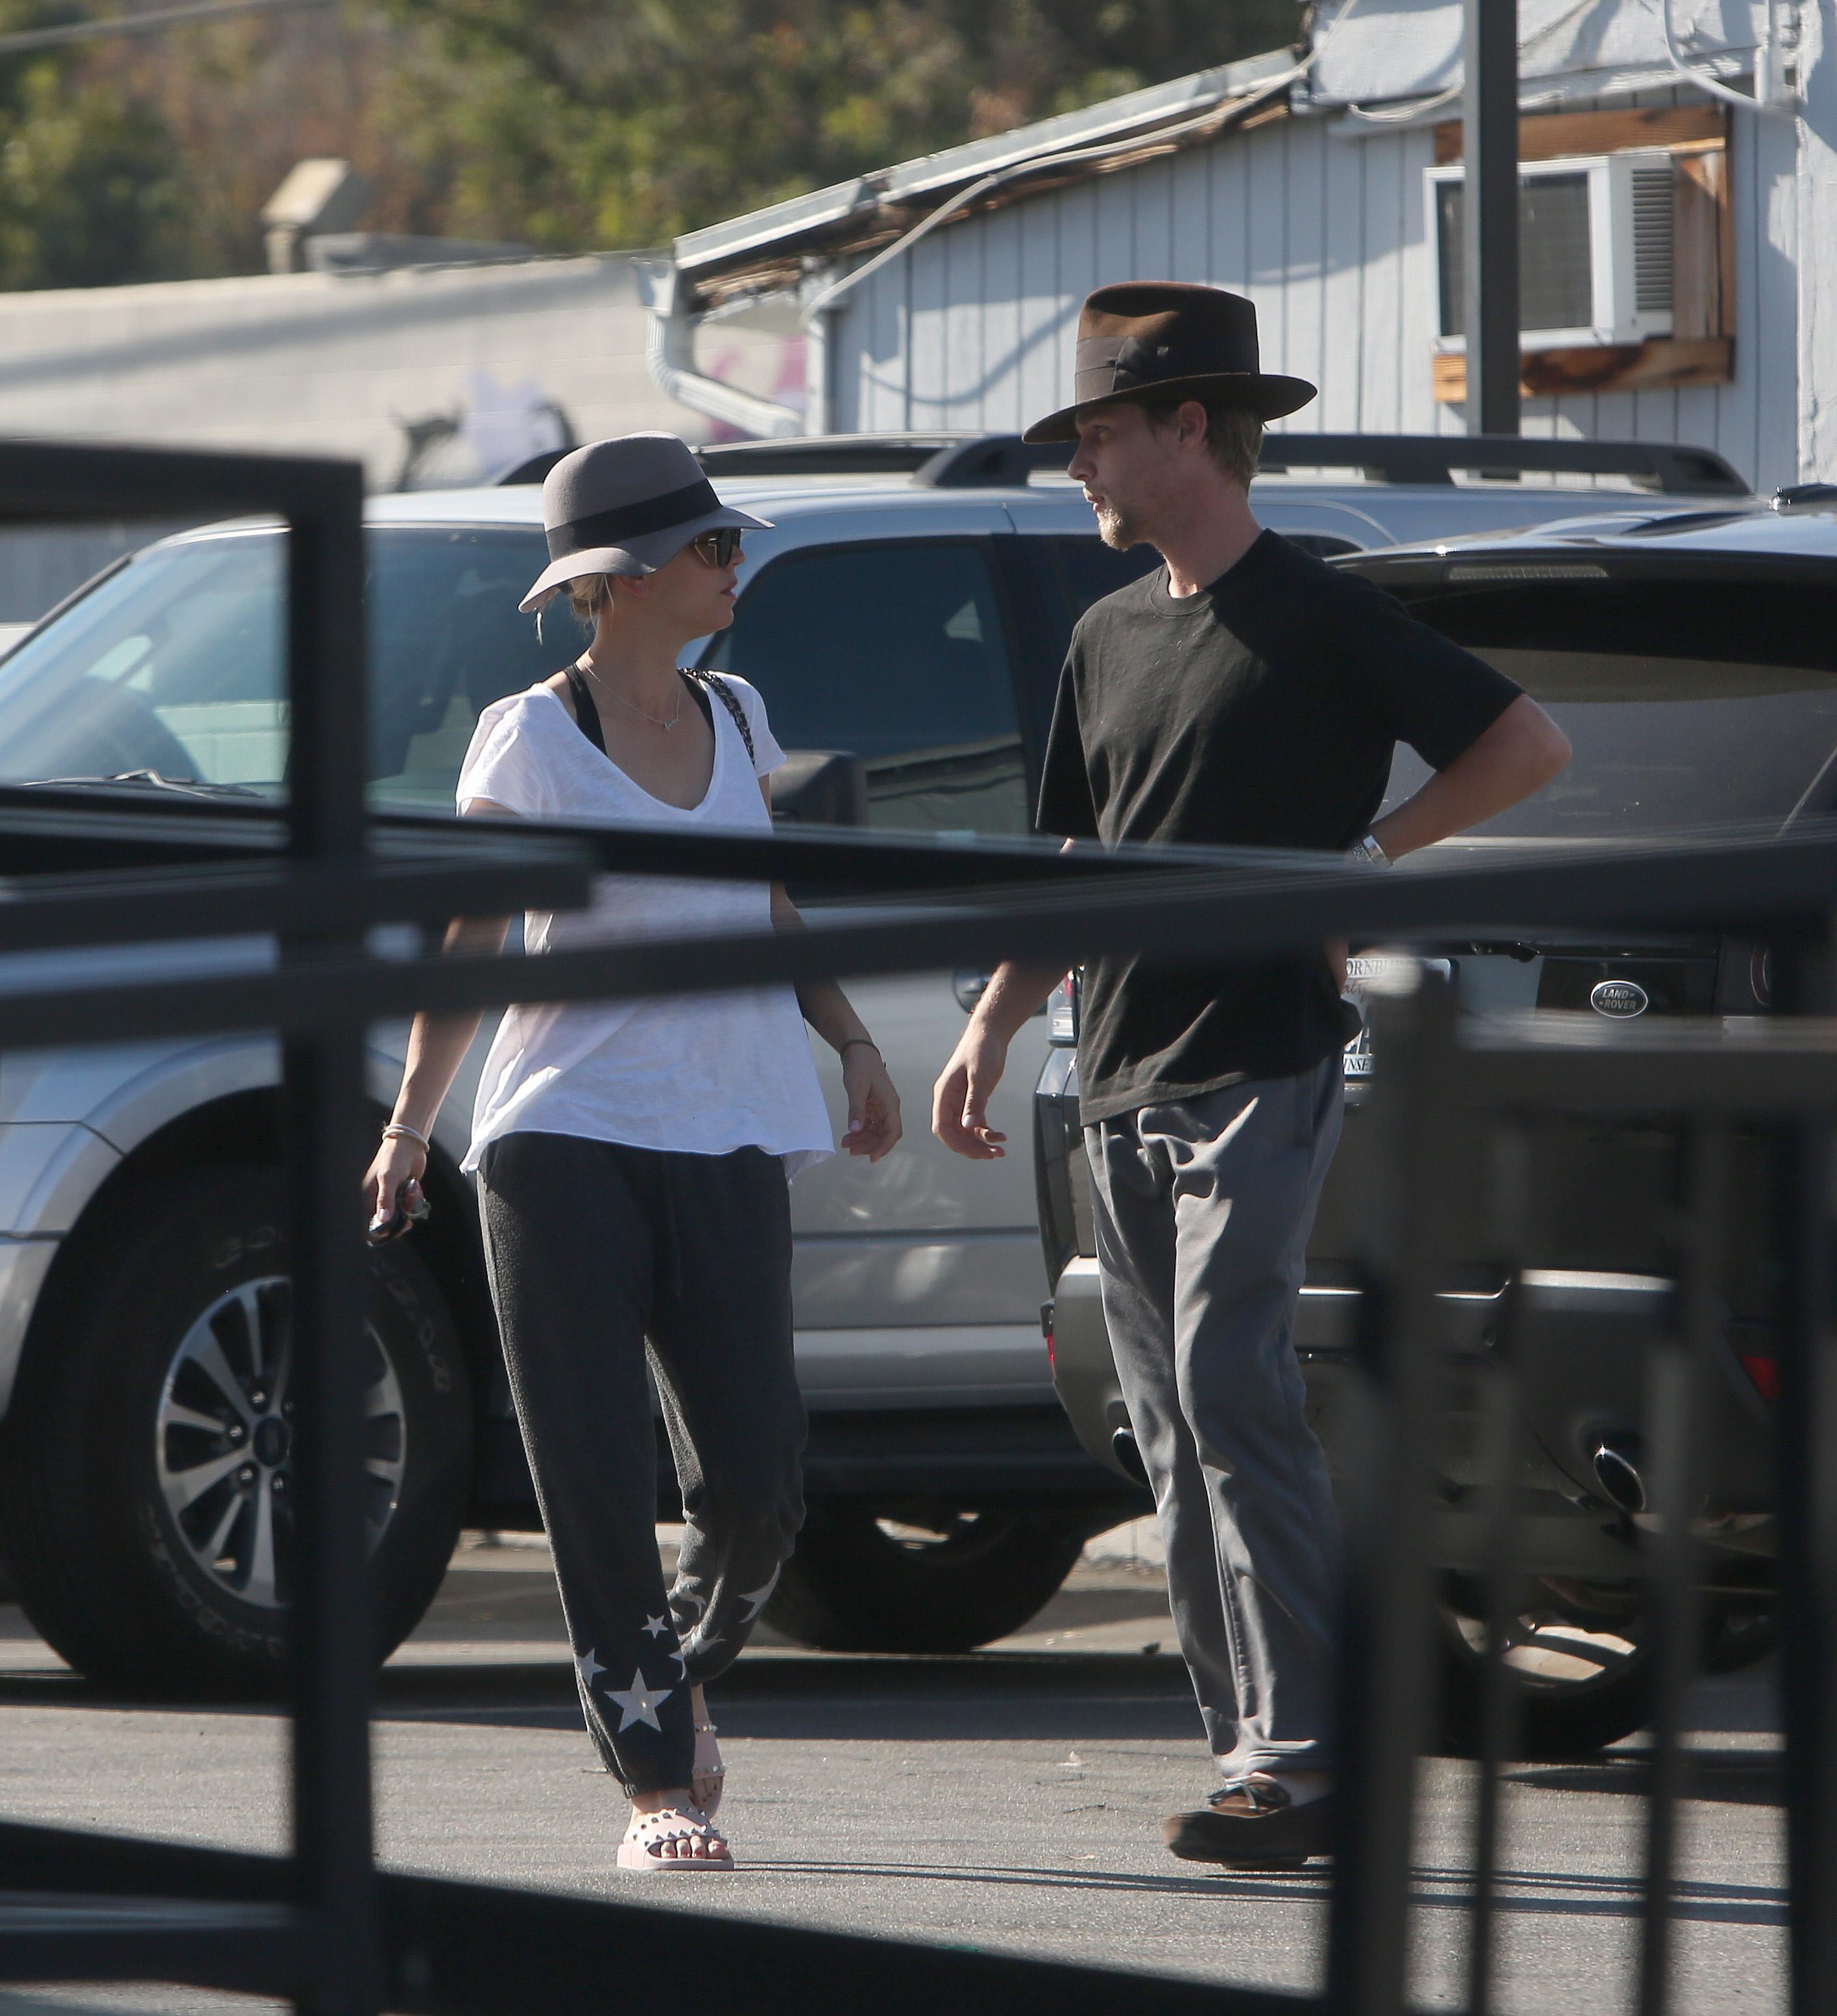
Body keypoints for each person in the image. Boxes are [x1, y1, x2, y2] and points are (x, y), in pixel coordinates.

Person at [931, 283, 1570, 1869]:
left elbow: (1525, 745)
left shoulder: (1317, 611)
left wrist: (1366, 861)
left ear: (1188, 427)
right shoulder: (1103, 635)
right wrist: (995, 1020)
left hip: (1260, 1062)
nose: (1078, 464)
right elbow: (1074, 860)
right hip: (1117, 1074)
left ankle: (1309, 1750)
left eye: (1098, 434)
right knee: (1167, 1429)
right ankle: (1255, 1761)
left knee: (1232, 1388)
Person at [366, 433, 902, 1875]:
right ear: (628, 578)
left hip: (728, 1129)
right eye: (713, 548)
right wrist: (411, 1123)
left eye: (730, 542)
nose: (735, 567)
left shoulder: (739, 712)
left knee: (759, 1481)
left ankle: (672, 1667)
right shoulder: (530, 738)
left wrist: (850, 1038)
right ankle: (654, 1779)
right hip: (563, 1140)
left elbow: (770, 900)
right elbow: (471, 942)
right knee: (597, 1478)